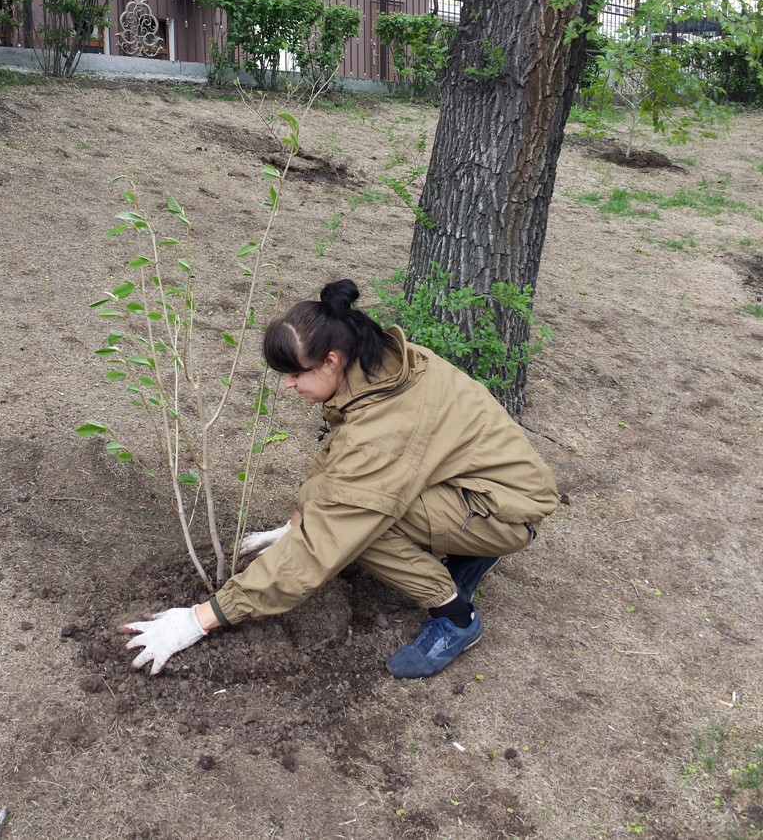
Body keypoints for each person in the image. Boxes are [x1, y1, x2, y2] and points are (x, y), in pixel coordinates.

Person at [120, 279, 559, 679]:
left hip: (503, 510)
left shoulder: (384, 430)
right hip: (478, 484)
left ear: (330, 360)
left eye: (295, 374)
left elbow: (329, 538)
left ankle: (456, 617)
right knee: (344, 501)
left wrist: (199, 620)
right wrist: (293, 525)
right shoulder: (379, 366)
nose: (288, 386)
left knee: (363, 530)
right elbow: (339, 462)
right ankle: (467, 553)